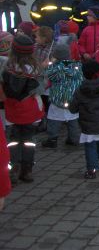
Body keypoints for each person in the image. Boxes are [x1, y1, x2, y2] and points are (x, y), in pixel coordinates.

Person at [2, 35, 45, 184]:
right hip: (29, 110)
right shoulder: (34, 69)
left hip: (12, 109)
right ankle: (27, 170)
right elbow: (40, 89)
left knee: (13, 141)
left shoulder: (7, 67)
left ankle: (13, 168)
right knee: (28, 141)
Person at [68, 59, 99, 179]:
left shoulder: (81, 90)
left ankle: (92, 169)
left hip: (88, 125)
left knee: (90, 146)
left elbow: (73, 109)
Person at [41, 44, 83, 148]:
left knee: (54, 119)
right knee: (72, 119)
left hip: (58, 99)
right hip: (72, 99)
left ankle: (52, 138)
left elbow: (48, 76)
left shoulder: (55, 68)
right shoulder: (76, 67)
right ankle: (74, 138)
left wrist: (47, 66)